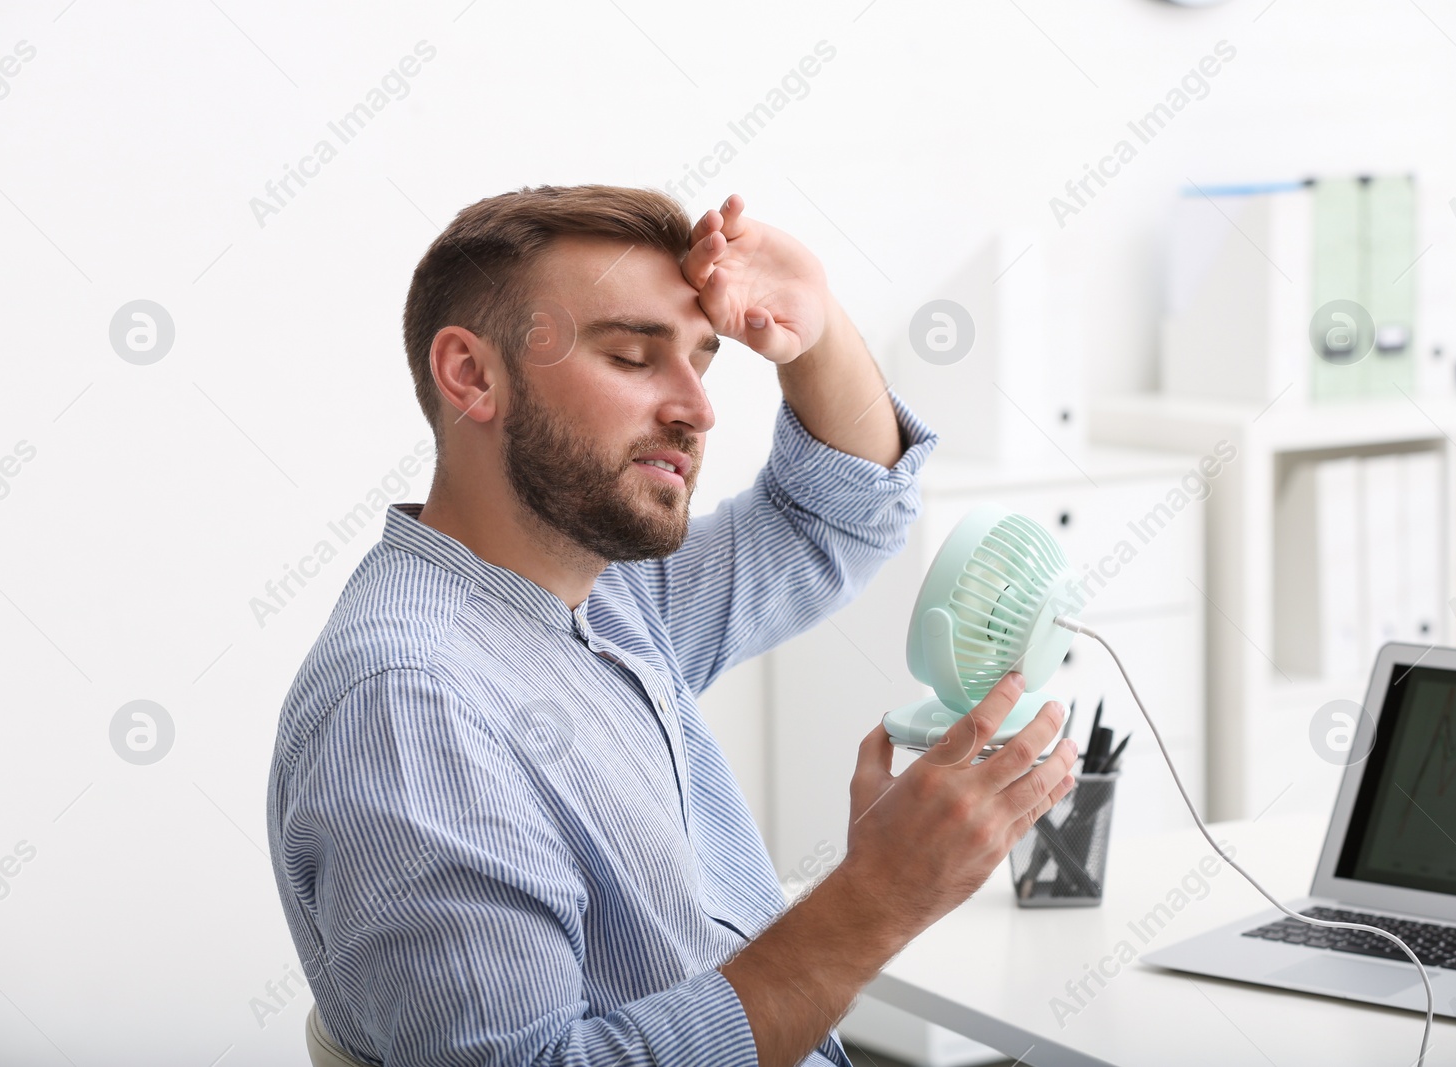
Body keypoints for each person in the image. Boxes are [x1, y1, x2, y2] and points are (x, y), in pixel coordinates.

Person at [266, 184, 1078, 1067]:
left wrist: (818, 322)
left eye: (701, 359)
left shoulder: (596, 590)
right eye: (631, 356)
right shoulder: (415, 709)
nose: (698, 407)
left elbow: (837, 515)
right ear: (471, 375)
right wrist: (875, 901)